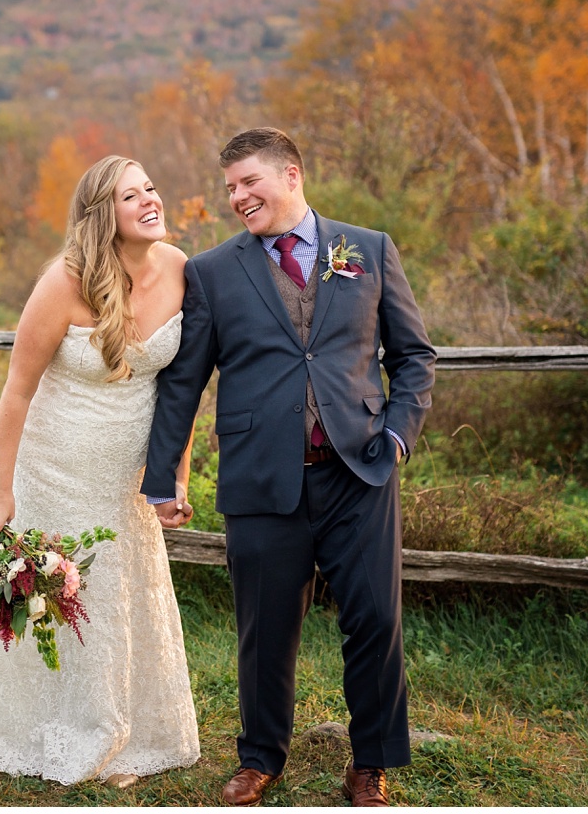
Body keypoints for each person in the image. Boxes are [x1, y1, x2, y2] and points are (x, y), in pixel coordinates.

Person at [143, 127, 436, 808]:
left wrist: (396, 435)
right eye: (230, 189)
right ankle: (259, 758)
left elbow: (414, 356)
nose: (238, 198)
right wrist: (163, 478)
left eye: (249, 183)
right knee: (265, 626)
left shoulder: (367, 250)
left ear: (292, 175)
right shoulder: (213, 271)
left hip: (359, 470)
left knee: (375, 619)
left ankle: (370, 763)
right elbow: (184, 381)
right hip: (260, 475)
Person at [0, 155, 201, 786]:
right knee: (66, 592)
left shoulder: (179, 268)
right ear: (103, 215)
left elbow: (185, 388)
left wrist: (176, 477)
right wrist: (2, 491)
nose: (151, 200)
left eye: (151, 186)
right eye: (131, 196)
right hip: (58, 465)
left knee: (126, 591)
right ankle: (41, 729)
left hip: (130, 473)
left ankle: (134, 727)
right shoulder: (63, 283)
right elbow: (16, 389)